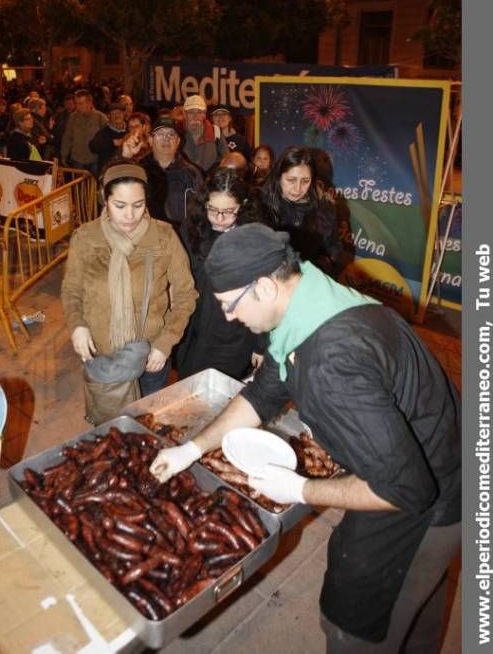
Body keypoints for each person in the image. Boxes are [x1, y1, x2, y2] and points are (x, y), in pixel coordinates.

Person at [150, 223, 461, 654]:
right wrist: (194, 447)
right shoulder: (309, 297)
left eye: (228, 304)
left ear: (263, 286)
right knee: (415, 611)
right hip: (426, 458)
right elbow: (262, 393)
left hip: (429, 501)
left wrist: (301, 488)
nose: (227, 317)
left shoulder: (330, 364)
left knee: (356, 623)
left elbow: (407, 489)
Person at [61, 160, 197, 423]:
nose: (130, 216)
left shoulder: (163, 237)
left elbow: (185, 295)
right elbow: (72, 290)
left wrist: (165, 343)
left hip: (150, 356)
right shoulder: (86, 238)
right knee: (111, 430)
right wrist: (77, 325)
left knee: (146, 426)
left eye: (138, 205)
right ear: (105, 200)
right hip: (103, 354)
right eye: (119, 206)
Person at [177, 168, 265, 380]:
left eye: (228, 211)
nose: (219, 218)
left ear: (242, 205)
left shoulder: (256, 237)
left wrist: (261, 345)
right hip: (192, 329)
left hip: (232, 334)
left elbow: (265, 296)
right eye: (212, 209)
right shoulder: (191, 229)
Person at [261, 146, 341, 275]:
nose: (297, 189)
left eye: (305, 181)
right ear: (278, 176)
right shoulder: (261, 204)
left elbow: (334, 247)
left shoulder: (325, 209)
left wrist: (326, 263)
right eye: (291, 180)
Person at [122, 116, 203, 227]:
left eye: (171, 134)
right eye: (160, 134)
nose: (166, 138)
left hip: (179, 239)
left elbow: (199, 215)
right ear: (150, 140)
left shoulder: (191, 174)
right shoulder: (138, 170)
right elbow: (110, 194)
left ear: (178, 141)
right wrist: (124, 158)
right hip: (144, 237)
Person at [61, 89, 108, 173]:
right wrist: (64, 154)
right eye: (76, 103)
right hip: (77, 159)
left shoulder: (100, 118)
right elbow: (67, 137)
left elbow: (107, 138)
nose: (78, 106)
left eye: (81, 103)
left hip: (95, 160)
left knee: (94, 184)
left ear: (89, 103)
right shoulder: (73, 117)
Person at [181, 94, 227, 173]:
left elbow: (226, 160)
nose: (195, 116)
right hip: (183, 183)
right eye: (191, 112)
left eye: (199, 112)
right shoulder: (177, 132)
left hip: (209, 183)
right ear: (185, 114)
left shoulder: (216, 132)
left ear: (204, 114)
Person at [88, 102, 128, 173]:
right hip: (108, 172)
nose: (117, 115)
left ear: (124, 114)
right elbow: (92, 147)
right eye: (113, 113)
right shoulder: (103, 132)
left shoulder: (130, 129)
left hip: (126, 170)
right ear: (109, 116)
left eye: (119, 112)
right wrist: (112, 142)